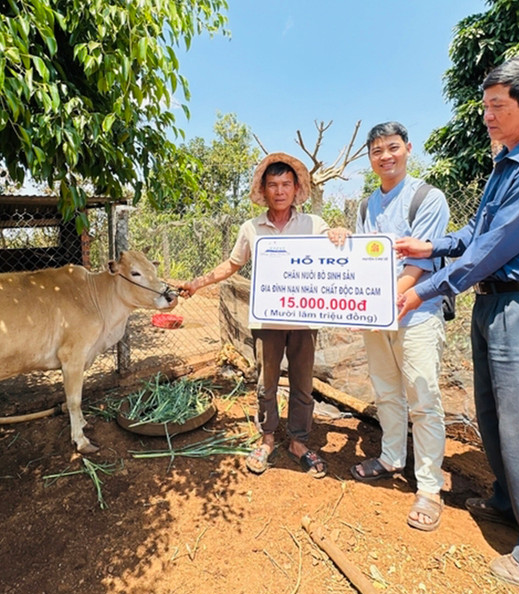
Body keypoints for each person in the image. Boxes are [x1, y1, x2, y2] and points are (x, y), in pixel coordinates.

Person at [394, 51, 519, 594]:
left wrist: (426, 287)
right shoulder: (511, 159)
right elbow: (481, 231)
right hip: (498, 305)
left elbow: (494, 248)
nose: (487, 115)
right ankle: (510, 501)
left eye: (497, 105)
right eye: (484, 105)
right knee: (497, 415)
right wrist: (434, 244)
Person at [182, 152, 349, 478]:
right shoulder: (251, 228)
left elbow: (336, 251)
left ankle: (299, 441)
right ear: (264, 190)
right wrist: (198, 283)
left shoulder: (314, 224)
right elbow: (232, 264)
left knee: (302, 384)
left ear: (296, 187)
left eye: (286, 183)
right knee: (266, 383)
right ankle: (268, 437)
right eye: (273, 185)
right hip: (267, 321)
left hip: (304, 320)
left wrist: (339, 233)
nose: (280, 191)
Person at [346, 122, 450, 533]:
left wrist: (382, 303)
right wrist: (359, 306)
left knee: (423, 397)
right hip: (378, 315)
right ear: (369, 158)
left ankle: (428, 487)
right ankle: (391, 457)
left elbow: (418, 264)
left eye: (392, 147)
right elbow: (359, 258)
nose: (385, 156)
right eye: (376, 151)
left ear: (408, 149)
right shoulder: (366, 204)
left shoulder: (427, 198)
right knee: (386, 391)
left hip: (416, 313)